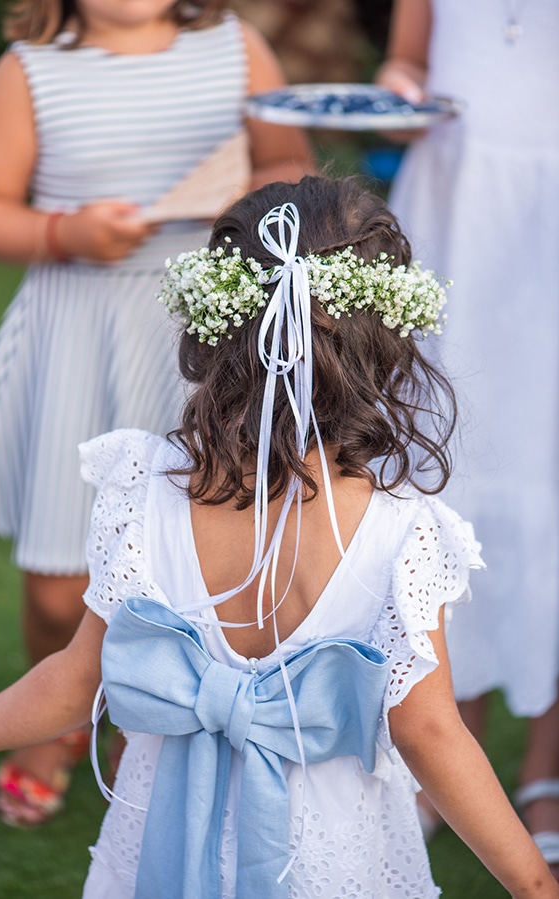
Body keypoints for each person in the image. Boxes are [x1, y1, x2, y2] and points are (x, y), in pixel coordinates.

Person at [0, 174, 558, 898]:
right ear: (386, 345)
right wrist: (532, 880)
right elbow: (429, 731)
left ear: (213, 333)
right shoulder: (403, 534)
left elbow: (77, 679)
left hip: (163, 837)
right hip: (327, 856)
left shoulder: (145, 491)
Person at [0, 0, 314, 828]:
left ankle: (151, 720)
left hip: (206, 339)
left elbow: (288, 164)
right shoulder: (31, 71)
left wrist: (243, 193)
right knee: (59, 578)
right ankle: (56, 717)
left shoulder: (237, 49)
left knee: (205, 552)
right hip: (78, 328)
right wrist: (62, 229)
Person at [375, 0, 559, 871]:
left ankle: (546, 765)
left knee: (546, 462)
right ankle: (449, 741)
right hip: (455, 210)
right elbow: (408, 62)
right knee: (449, 453)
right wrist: (400, 90)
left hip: (547, 221)